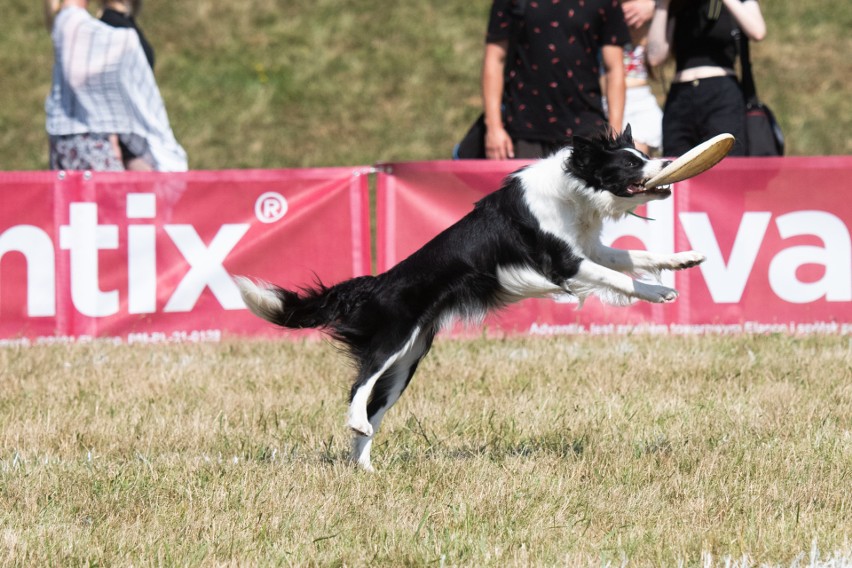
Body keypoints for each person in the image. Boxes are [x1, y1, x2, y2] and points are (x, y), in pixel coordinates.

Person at [44, 0, 187, 171]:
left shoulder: (111, 27)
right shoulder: (105, 29)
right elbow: (83, 80)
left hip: (110, 142)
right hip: (105, 143)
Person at [482, 0, 631, 160]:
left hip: (586, 131)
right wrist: (494, 128)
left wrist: (614, 138)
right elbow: (495, 60)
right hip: (524, 130)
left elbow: (614, 70)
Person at [647, 0, 766, 156]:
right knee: (676, 172)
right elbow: (654, 57)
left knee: (724, 168)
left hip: (721, 96)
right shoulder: (678, 5)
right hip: (680, 98)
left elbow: (758, 32)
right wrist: (663, 5)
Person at [607, 0, 663, 155]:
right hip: (606, 100)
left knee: (634, 159)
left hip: (641, 100)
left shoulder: (647, 7)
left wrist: (654, 6)